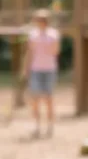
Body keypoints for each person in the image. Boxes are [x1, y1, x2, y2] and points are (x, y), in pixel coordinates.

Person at [23, 9, 61, 139]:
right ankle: (37, 126)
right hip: (36, 69)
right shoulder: (32, 35)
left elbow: (55, 51)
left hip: (49, 69)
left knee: (49, 98)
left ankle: (50, 126)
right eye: (37, 20)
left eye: (41, 20)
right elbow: (30, 52)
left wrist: (46, 42)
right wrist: (26, 68)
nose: (39, 22)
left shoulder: (53, 34)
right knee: (35, 98)